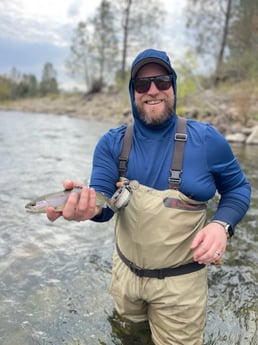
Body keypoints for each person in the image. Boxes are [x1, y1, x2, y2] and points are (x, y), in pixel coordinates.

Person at [47, 48, 251, 345]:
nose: (152, 90)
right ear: (132, 92)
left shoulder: (207, 140)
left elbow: (238, 189)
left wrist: (222, 225)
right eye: (142, 84)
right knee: (129, 338)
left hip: (182, 286)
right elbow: (104, 206)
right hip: (125, 277)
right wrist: (85, 208)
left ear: (173, 86)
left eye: (161, 81)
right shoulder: (111, 143)